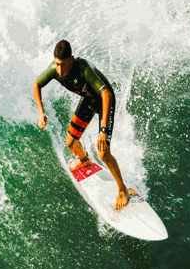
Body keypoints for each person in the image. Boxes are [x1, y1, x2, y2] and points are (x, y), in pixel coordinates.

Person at [33, 40, 129, 210]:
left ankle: (122, 190)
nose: (60, 70)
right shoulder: (54, 70)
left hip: (105, 101)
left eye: (63, 64)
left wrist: (103, 131)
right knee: (70, 143)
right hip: (89, 100)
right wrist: (41, 112)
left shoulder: (83, 68)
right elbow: (36, 84)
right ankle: (84, 160)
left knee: (103, 152)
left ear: (71, 59)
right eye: (56, 64)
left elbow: (106, 94)